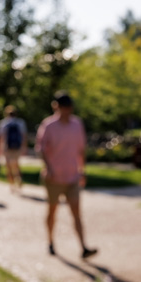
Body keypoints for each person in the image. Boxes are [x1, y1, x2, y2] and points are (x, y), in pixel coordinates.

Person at [36, 92, 97, 259]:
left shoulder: (77, 124)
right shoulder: (49, 125)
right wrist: (48, 168)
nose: (67, 110)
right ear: (57, 107)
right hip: (54, 178)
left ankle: (83, 247)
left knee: (76, 213)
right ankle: (50, 242)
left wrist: (82, 170)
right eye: (64, 107)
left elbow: (81, 150)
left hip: (72, 177)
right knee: (52, 210)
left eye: (69, 107)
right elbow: (41, 149)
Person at [0, 105, 27, 192]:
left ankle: (11, 184)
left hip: (7, 147)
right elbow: (24, 136)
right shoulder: (20, 122)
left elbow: (0, 138)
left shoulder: (3, 123)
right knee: (16, 164)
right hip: (17, 147)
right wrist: (24, 147)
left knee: (8, 166)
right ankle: (18, 178)